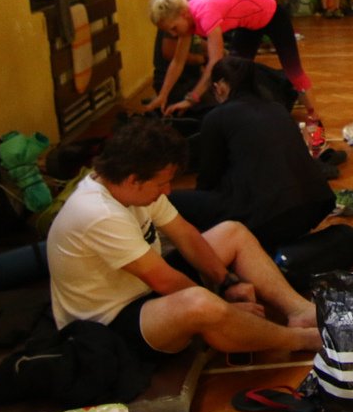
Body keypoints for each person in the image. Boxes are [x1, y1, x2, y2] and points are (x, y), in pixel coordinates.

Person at [46, 117, 320, 355]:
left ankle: (300, 311)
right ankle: (298, 339)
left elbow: (185, 234)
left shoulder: (128, 186)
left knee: (232, 232)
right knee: (201, 304)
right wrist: (225, 306)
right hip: (109, 321)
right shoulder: (99, 213)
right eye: (162, 183)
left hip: (142, 290)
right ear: (133, 180)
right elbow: (163, 279)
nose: (167, 191)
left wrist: (227, 282)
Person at [168, 55, 335, 253]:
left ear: (219, 87)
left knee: (169, 200)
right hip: (315, 206)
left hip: (268, 216)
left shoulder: (217, 117)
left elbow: (208, 179)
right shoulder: (277, 109)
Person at [149, 0, 318, 120]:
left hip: (272, 14)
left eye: (174, 28)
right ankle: (246, 113)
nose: (173, 34)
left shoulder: (205, 13)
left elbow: (215, 62)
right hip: (249, 23)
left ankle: (314, 115)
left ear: (184, 14)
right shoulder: (186, 20)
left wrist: (192, 98)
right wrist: (163, 95)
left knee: (293, 70)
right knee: (233, 72)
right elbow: (177, 61)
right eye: (169, 31)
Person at [151, 0, 215, 110]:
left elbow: (193, 39)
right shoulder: (175, 10)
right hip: (177, 83)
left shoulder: (190, 6)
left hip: (188, 78)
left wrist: (211, 48)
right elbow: (169, 52)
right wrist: (200, 59)